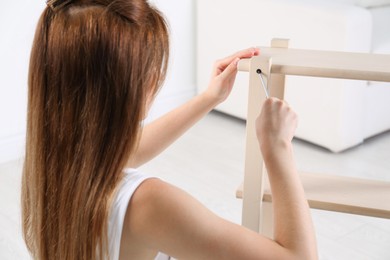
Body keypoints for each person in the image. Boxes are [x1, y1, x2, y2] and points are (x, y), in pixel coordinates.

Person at [21, 0, 318, 259]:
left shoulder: (51, 165)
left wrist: (208, 98)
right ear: (135, 86)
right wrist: (277, 147)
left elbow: (124, 152)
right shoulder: (150, 205)